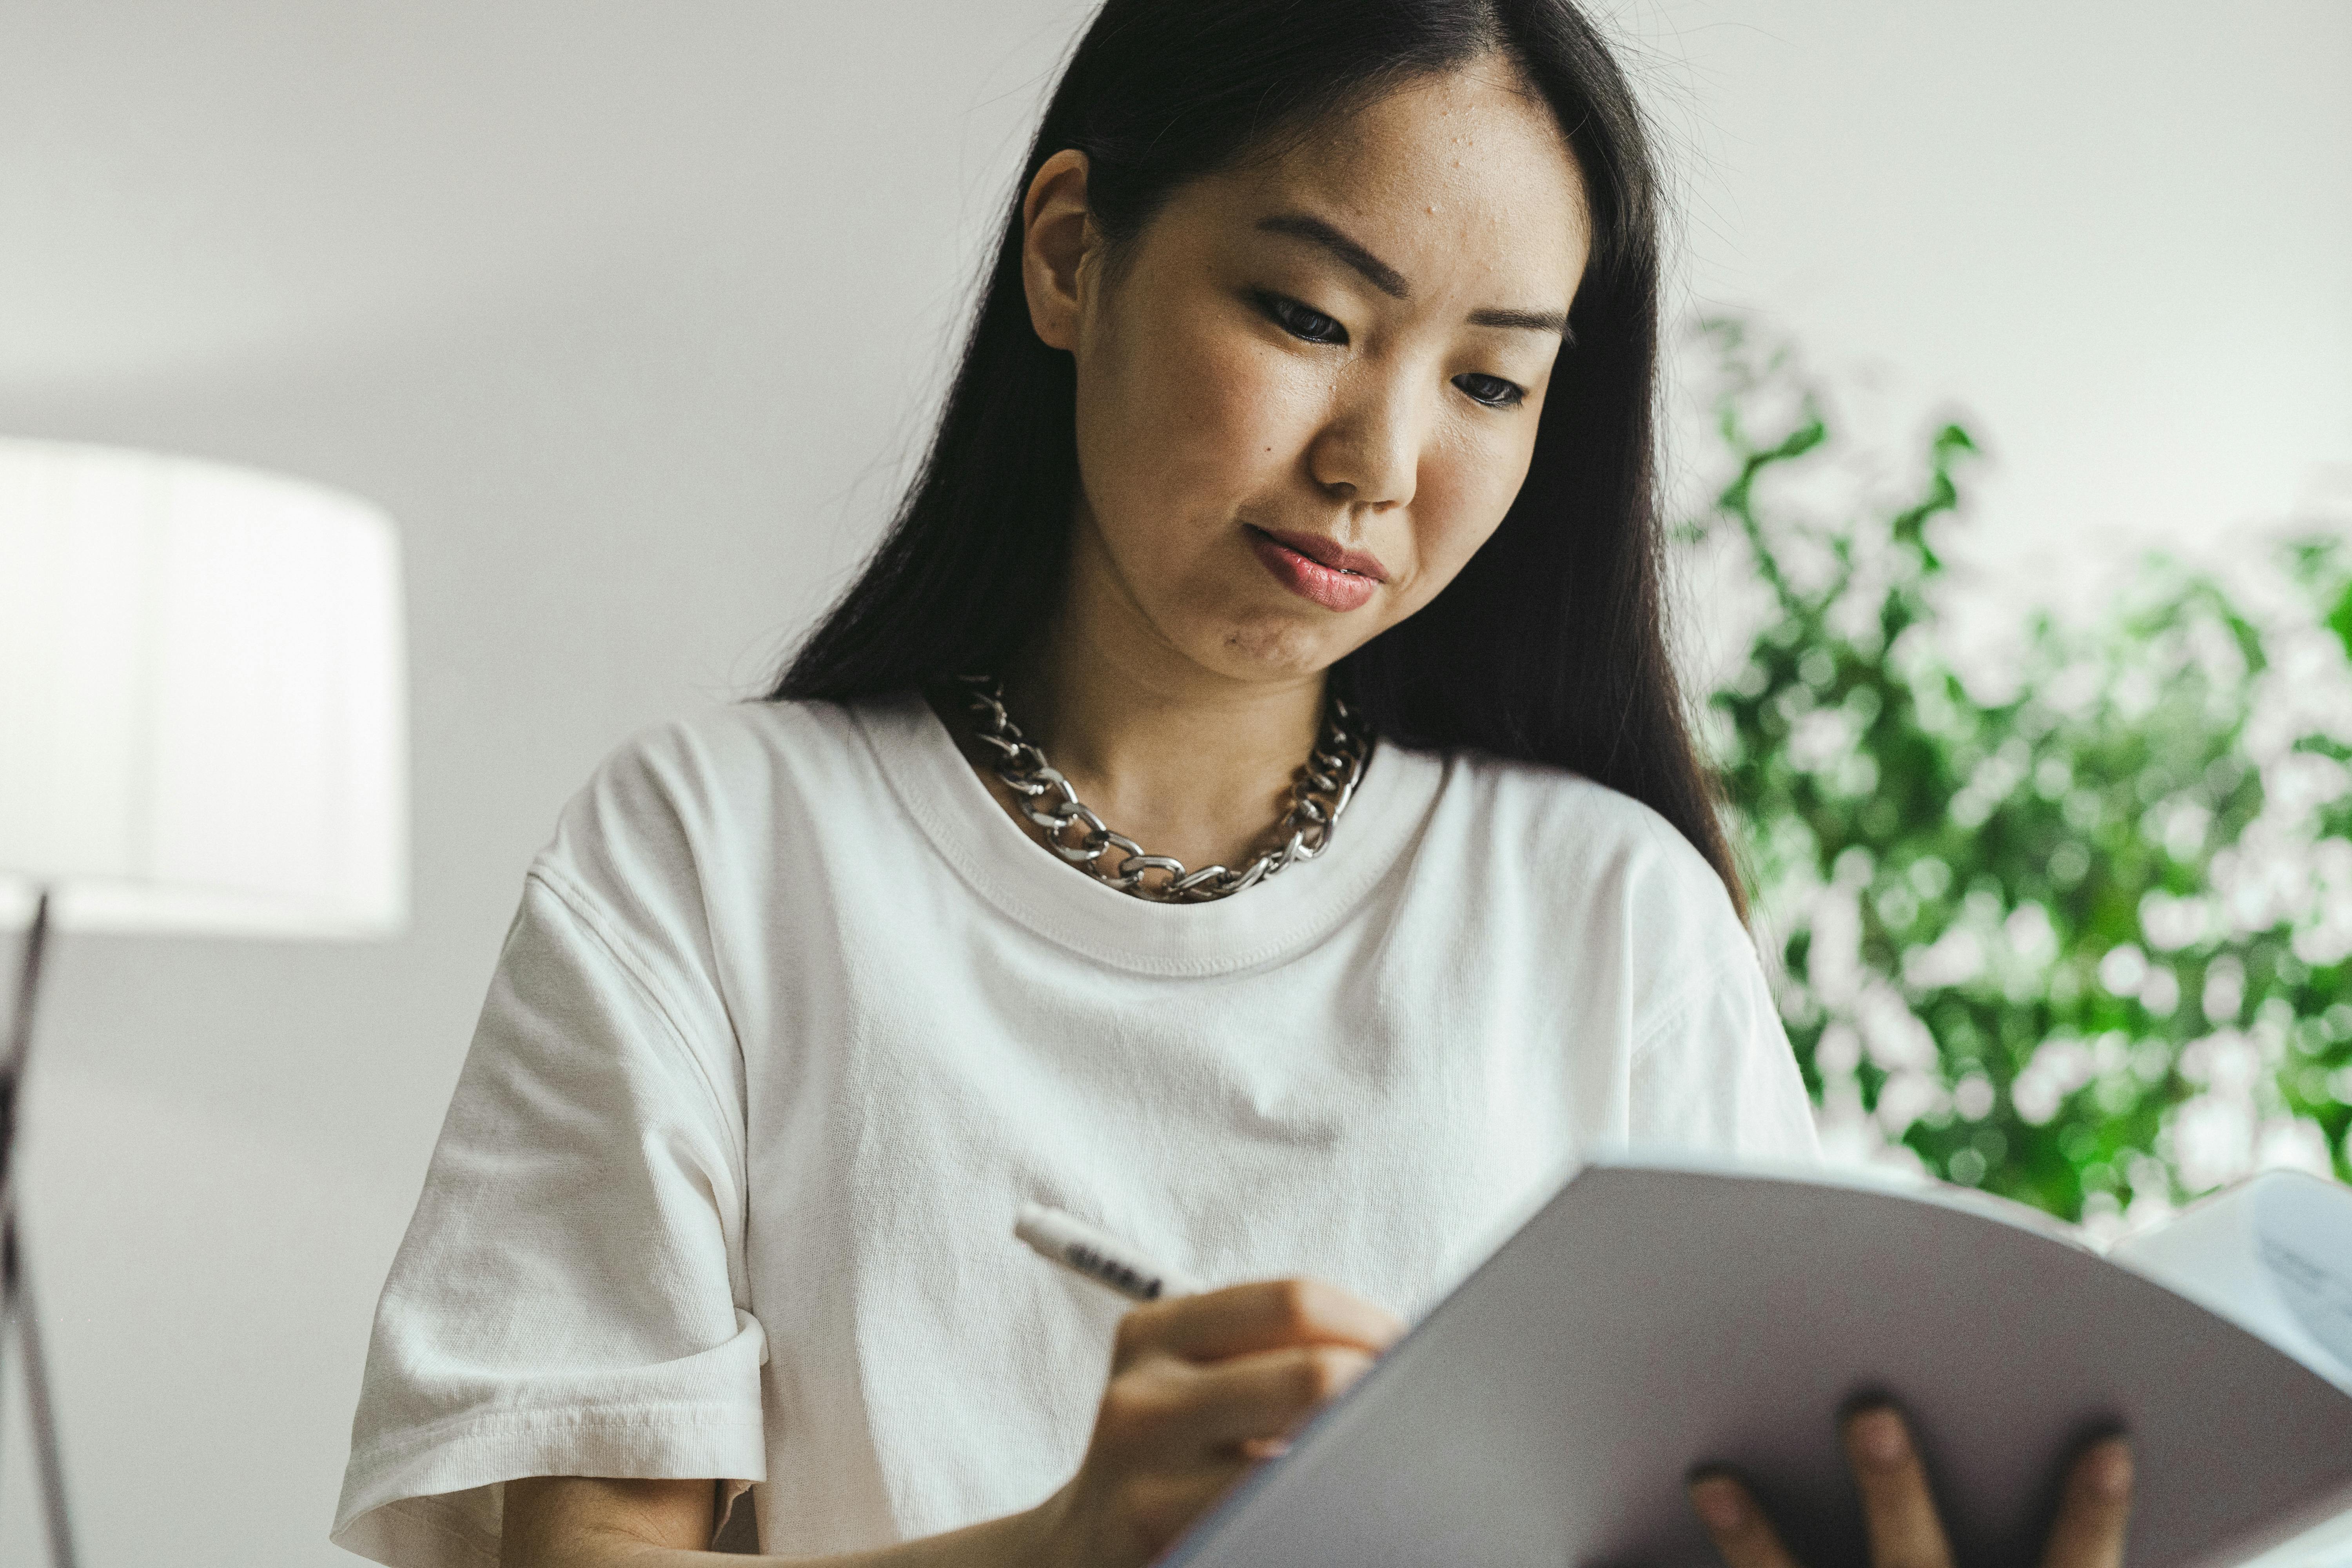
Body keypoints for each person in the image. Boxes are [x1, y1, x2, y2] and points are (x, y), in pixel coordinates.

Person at [333, 2, 2135, 1565]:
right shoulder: (716, 854)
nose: (1378, 461)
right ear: (1069, 253)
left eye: (1493, 384)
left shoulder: (1609, 909)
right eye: (1304, 313)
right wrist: (1055, 1552)